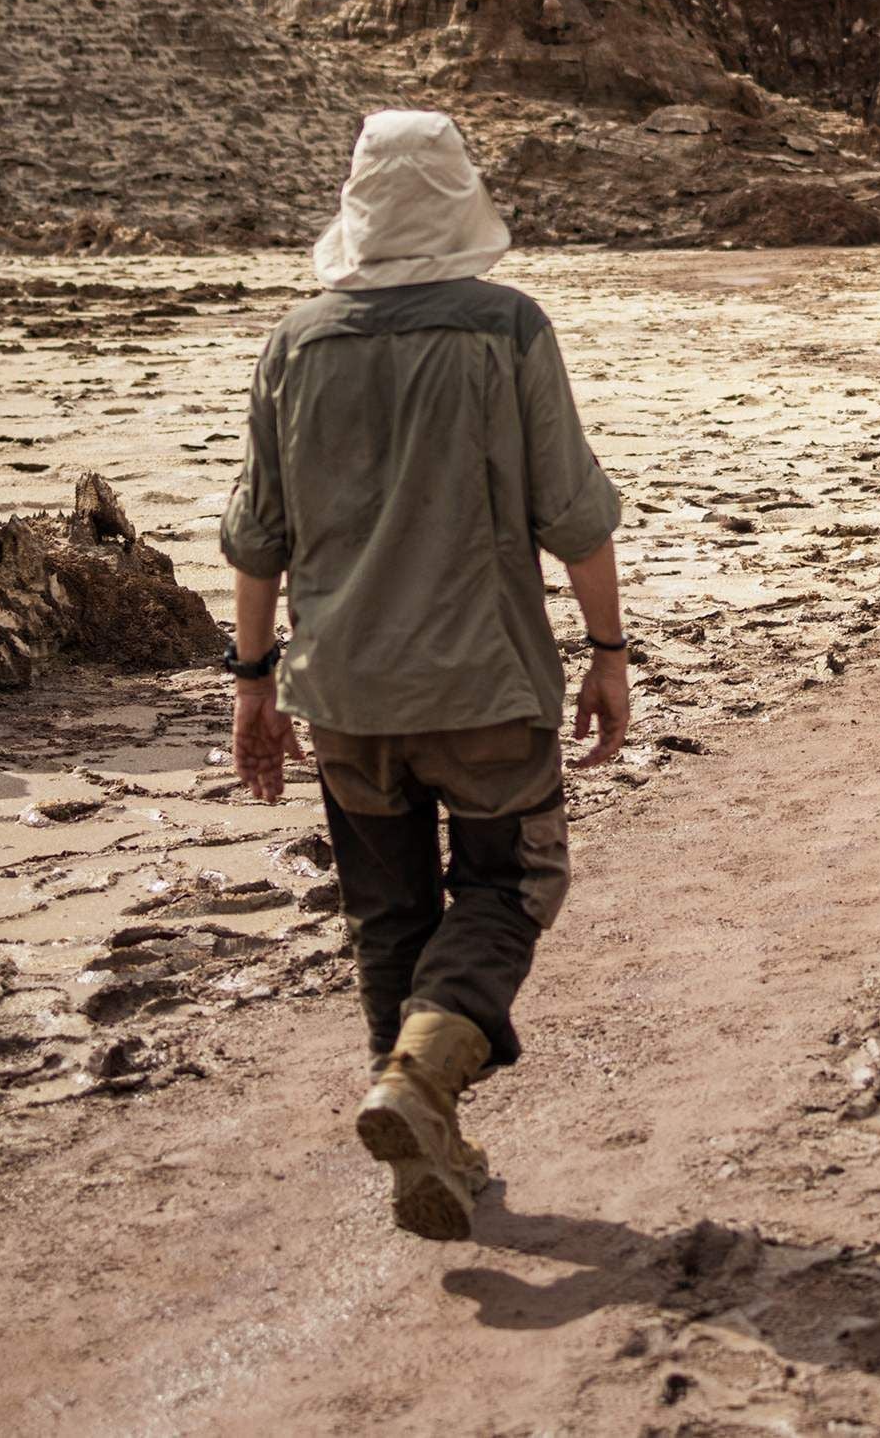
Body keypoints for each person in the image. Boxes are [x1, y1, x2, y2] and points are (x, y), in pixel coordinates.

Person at [223, 109, 632, 1240]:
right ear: (461, 204)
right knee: (511, 886)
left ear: (355, 210)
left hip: (345, 696)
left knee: (386, 912)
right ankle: (420, 1082)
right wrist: (607, 652)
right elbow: (572, 512)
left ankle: (422, 1137)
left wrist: (253, 681)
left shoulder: (294, 342)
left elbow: (257, 537)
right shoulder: (505, 329)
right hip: (486, 686)